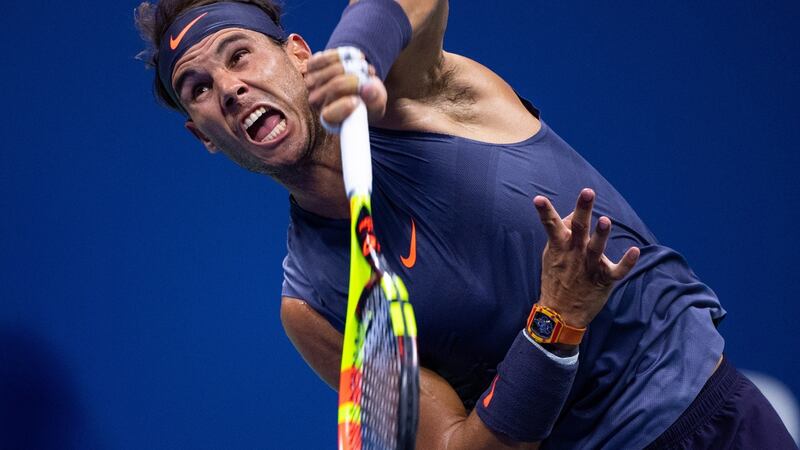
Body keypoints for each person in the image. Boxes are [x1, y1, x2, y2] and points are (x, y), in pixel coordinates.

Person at [134, 0, 796, 448]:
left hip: (719, 419)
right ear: (206, 138)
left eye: (240, 54)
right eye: (198, 87)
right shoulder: (311, 304)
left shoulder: (418, 95)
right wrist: (555, 323)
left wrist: (358, 54)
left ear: (299, 53)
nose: (229, 86)